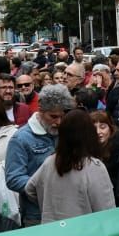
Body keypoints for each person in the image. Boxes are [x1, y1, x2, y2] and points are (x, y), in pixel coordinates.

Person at [25, 109, 116, 224]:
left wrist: (48, 206)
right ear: (89, 134)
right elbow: (106, 209)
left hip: (52, 232)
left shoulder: (50, 162)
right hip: (83, 234)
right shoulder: (94, 167)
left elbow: (30, 189)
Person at [6, 84, 75, 224]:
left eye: (63, 116)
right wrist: (46, 186)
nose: (59, 122)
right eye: (53, 116)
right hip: (36, 214)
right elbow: (13, 178)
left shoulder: (66, 132)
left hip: (68, 209)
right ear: (41, 111)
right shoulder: (20, 138)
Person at [90, 110, 119, 179]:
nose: (98, 132)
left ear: (110, 128)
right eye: (93, 128)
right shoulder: (88, 144)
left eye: (102, 127)